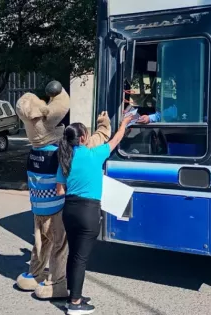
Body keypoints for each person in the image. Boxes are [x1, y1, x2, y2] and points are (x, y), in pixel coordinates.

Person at [14, 81, 112, 300]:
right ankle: (56, 283)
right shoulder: (60, 151)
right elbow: (95, 142)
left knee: (41, 242)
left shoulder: (34, 150)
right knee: (60, 246)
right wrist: (104, 125)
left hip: (38, 210)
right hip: (56, 210)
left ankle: (34, 274)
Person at [56, 114, 134, 314]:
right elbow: (116, 140)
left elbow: (60, 191)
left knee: (73, 254)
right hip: (87, 212)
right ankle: (75, 304)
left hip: (69, 211)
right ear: (82, 138)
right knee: (80, 259)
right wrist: (124, 122)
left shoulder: (65, 159)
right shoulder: (93, 154)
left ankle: (73, 295)